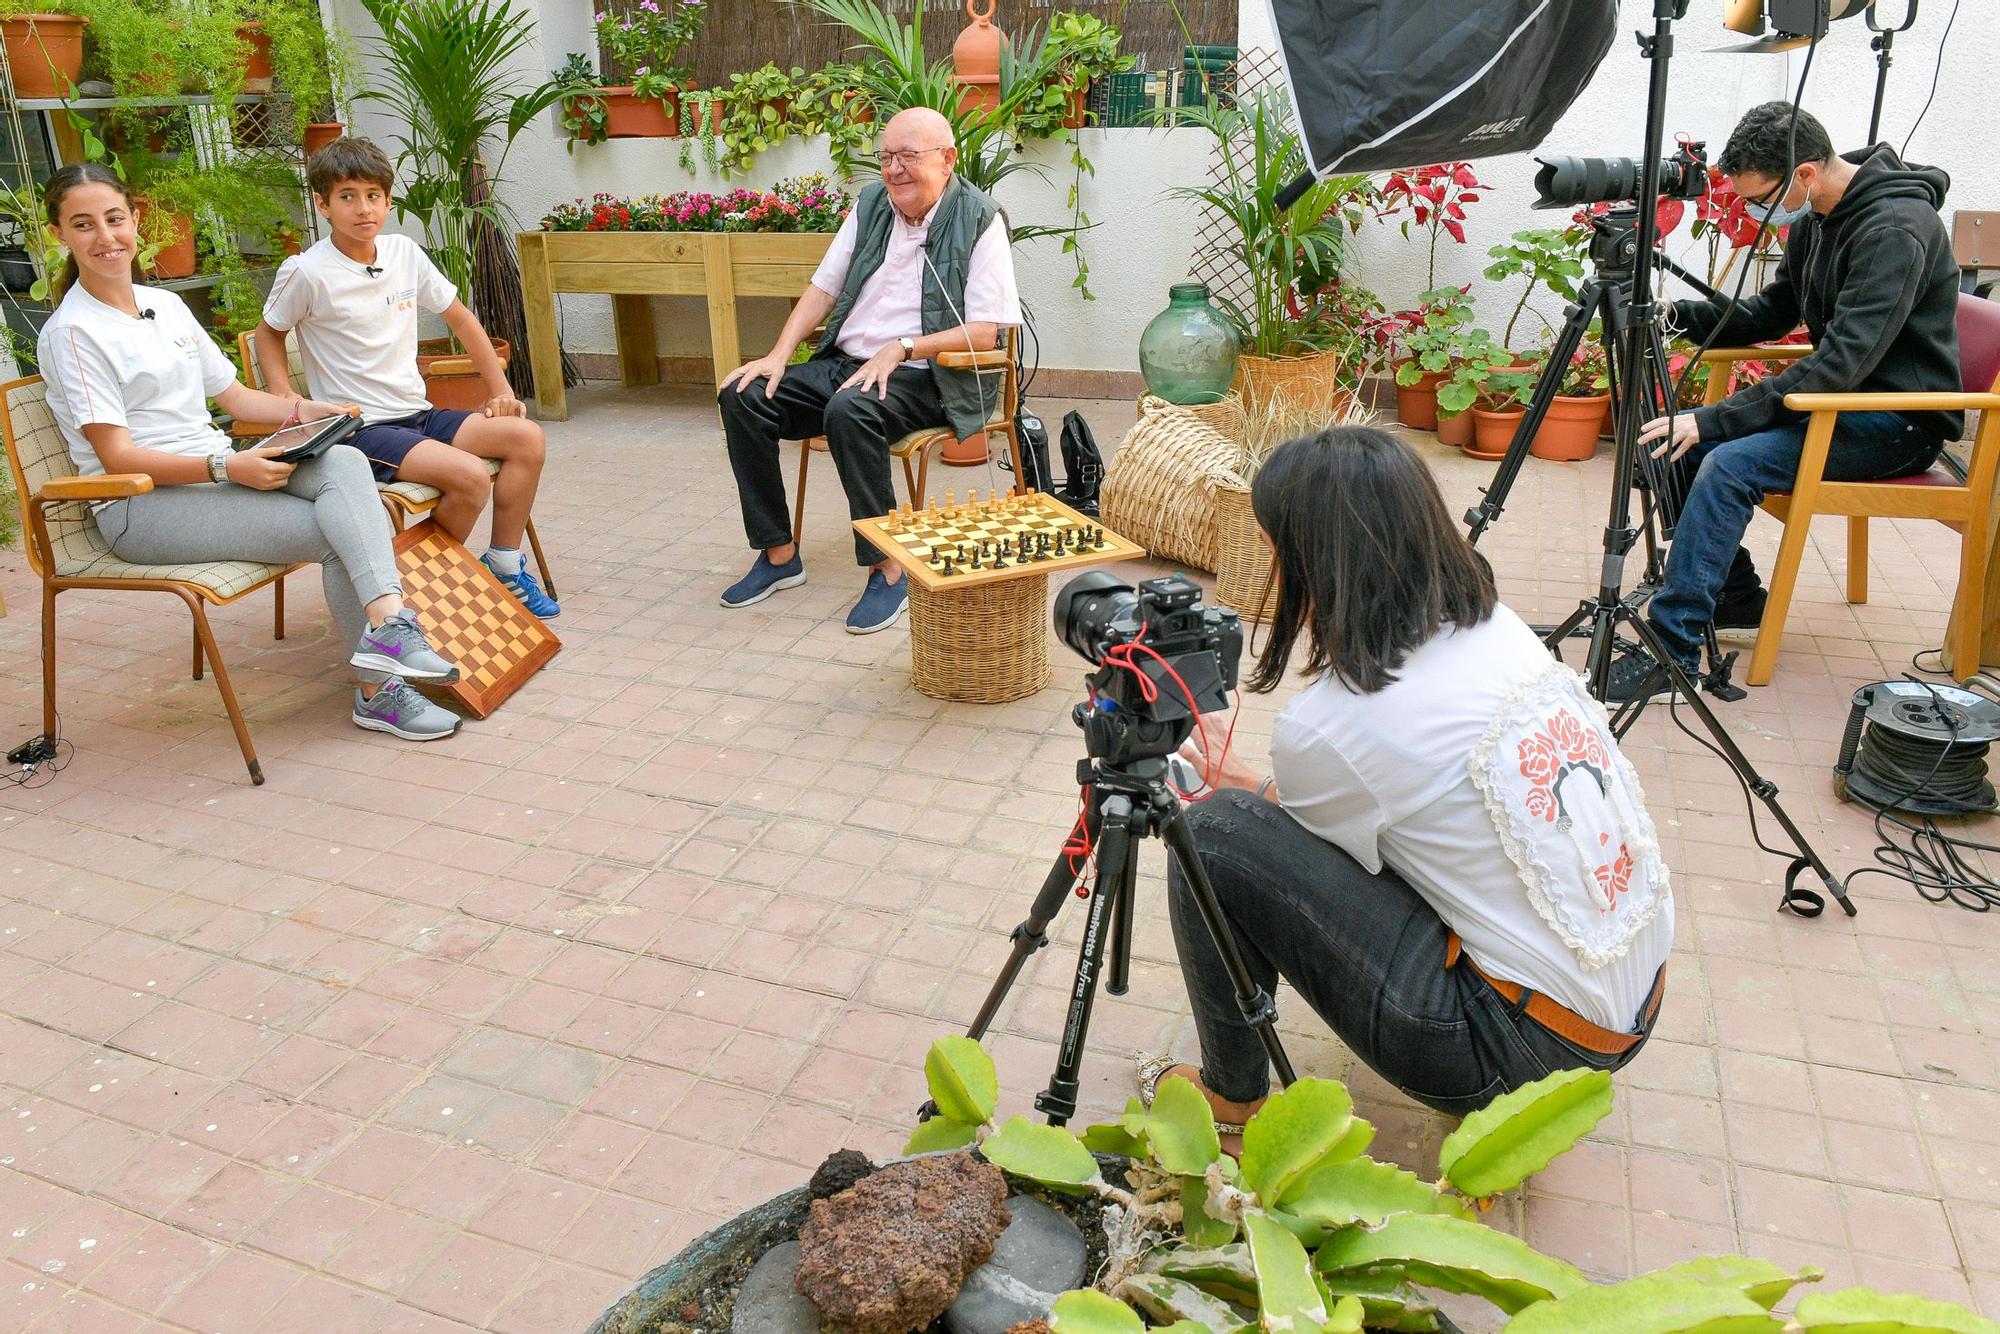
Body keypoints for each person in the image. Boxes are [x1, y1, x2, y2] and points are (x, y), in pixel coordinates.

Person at [1150, 427, 1673, 1133]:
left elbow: (1290, 853)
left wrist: (1230, 791)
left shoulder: (1330, 725)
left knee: (1212, 836)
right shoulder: (1499, 629)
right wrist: (1248, 782)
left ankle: (1232, 1096)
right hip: (1634, 1002)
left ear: (1311, 561)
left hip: (1521, 1052)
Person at [35, 163, 465, 742]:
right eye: (83, 225)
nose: (106, 237)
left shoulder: (163, 305)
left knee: (344, 459)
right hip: (139, 506)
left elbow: (233, 395)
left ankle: (390, 627)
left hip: (212, 475)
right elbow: (117, 457)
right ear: (59, 235)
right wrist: (224, 464)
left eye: (114, 219)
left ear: (136, 219)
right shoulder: (73, 333)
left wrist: (306, 412)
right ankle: (378, 692)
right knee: (340, 533)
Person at [1610, 102, 1962, 702]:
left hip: (1895, 420)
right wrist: (1674, 316)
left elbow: (1837, 365)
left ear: (1803, 174)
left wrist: (1716, 420)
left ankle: (1673, 652)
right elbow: (1768, 314)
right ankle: (1737, 597)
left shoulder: (1895, 231)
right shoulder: (1817, 219)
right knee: (1663, 444)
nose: (1754, 213)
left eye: (1761, 199)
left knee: (1726, 462)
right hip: (1840, 403)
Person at [716, 106, 1021, 634]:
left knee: (851, 408)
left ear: (947, 160)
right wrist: (778, 356)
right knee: (745, 394)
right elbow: (824, 288)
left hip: (931, 377)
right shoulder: (873, 204)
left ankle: (888, 567)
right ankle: (779, 554)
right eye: (887, 157)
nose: (895, 170)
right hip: (846, 362)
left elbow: (985, 334)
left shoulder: (979, 217)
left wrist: (903, 347)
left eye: (909, 157)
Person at [253, 138, 558, 618]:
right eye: (347, 196)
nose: (362, 208)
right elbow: (267, 335)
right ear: (322, 203)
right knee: (470, 477)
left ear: (389, 201)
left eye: (373, 195)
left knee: (526, 438)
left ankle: (502, 567)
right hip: (360, 429)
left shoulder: (403, 253)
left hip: (419, 414)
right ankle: (425, 589)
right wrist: (286, 400)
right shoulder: (307, 271)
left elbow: (462, 319)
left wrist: (501, 390)